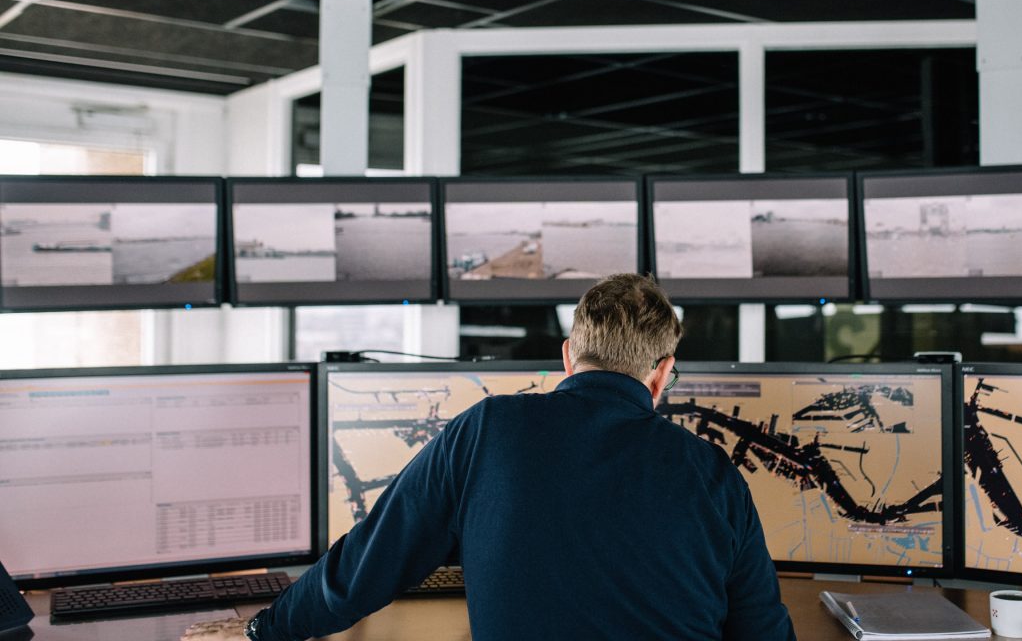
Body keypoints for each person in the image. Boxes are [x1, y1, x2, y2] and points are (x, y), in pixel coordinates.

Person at [184, 273, 795, 641]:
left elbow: (370, 562)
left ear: (566, 357)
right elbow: (764, 632)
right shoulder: (712, 473)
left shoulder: (487, 430)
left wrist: (265, 629)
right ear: (662, 375)